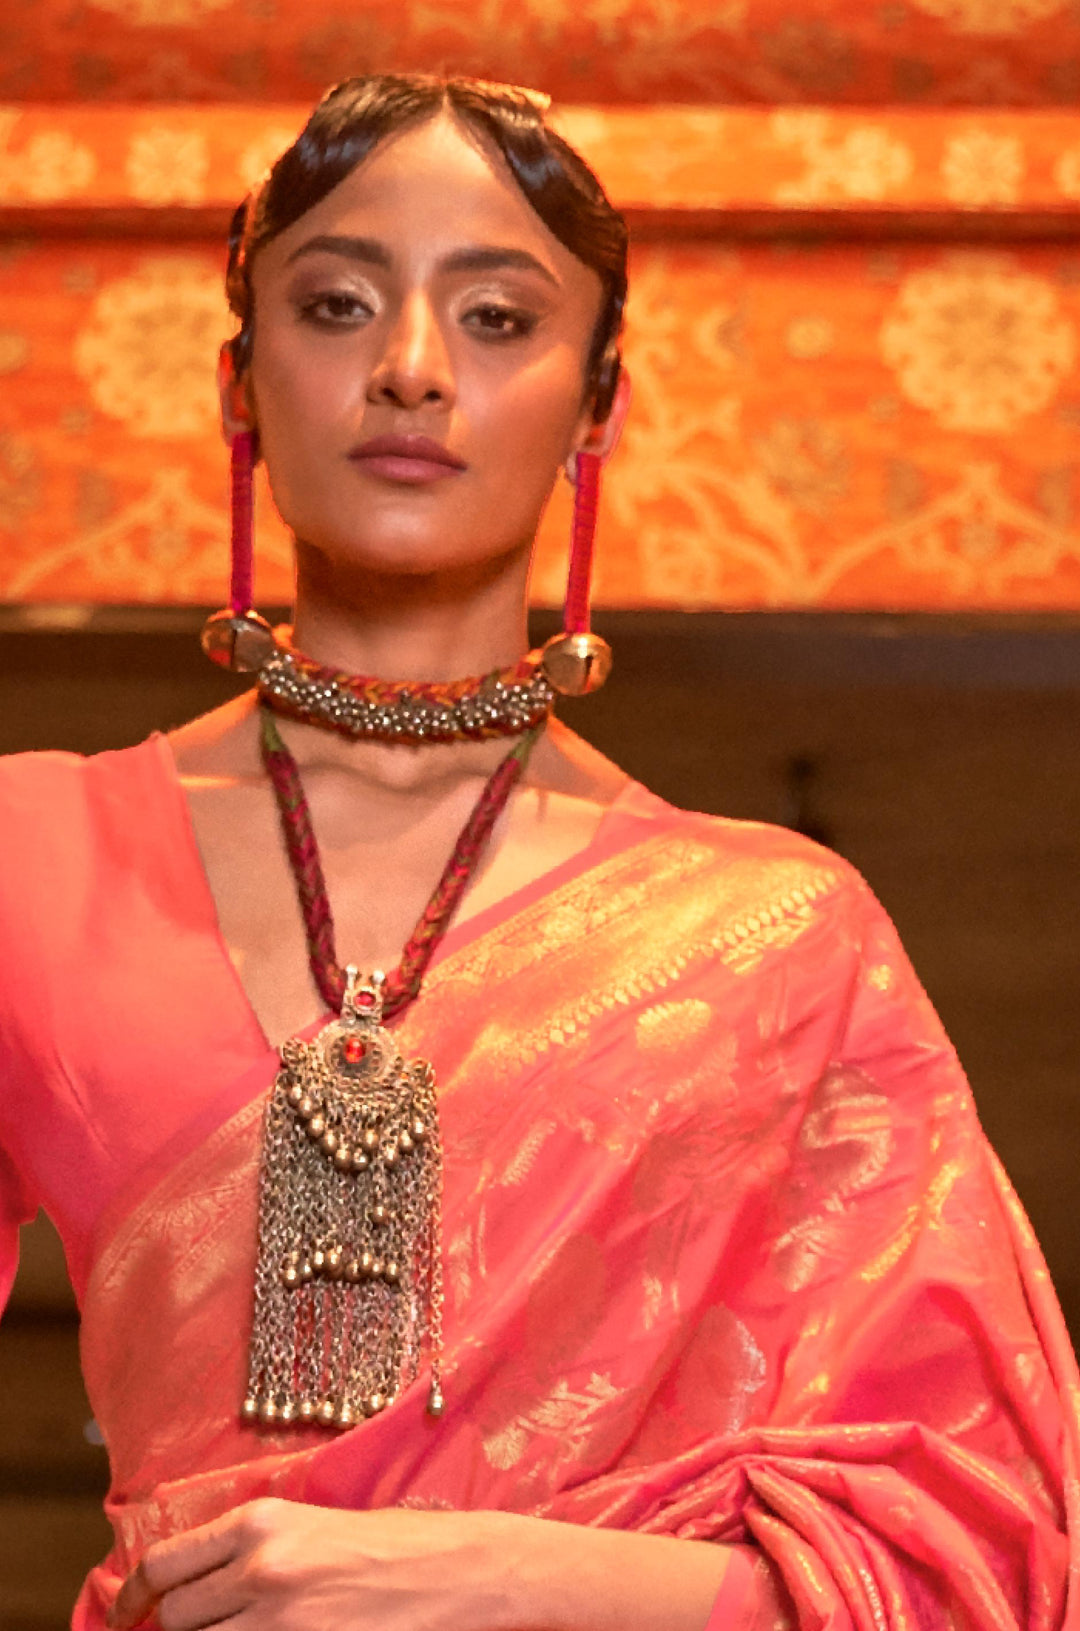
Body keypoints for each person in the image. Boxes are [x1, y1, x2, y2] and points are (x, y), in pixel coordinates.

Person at [0, 72, 1076, 1631]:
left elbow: (979, 1567)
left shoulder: (779, 938)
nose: (411, 367)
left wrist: (505, 1578)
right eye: (337, 304)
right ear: (239, 385)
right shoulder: (33, 851)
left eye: (498, 319)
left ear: (598, 408)